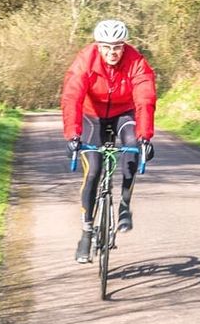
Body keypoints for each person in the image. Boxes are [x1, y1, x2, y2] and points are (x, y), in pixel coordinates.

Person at [61, 19, 157, 263]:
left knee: (132, 149)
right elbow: (72, 97)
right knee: (93, 170)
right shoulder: (86, 60)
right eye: (107, 47)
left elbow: (145, 98)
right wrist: (72, 134)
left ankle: (125, 205)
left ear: (124, 46)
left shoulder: (136, 62)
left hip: (124, 114)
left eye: (117, 47)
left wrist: (145, 136)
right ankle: (86, 231)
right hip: (91, 114)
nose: (112, 53)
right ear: (98, 46)